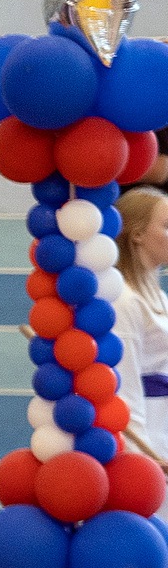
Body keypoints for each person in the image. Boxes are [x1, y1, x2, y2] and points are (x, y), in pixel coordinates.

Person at [113, 187, 168, 471]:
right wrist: (142, 459)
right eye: (167, 226)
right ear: (137, 234)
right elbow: (125, 387)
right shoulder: (124, 300)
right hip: (149, 443)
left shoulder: (159, 296)